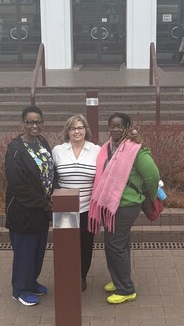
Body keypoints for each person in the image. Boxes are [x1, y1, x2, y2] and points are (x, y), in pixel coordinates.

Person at [88, 112, 160, 305]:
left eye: (120, 126)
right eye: (112, 125)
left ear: (128, 127)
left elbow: (153, 176)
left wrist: (150, 196)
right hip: (110, 205)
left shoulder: (136, 150)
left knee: (115, 245)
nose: (115, 129)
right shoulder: (108, 147)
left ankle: (126, 289)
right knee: (119, 244)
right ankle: (118, 279)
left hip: (126, 205)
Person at [5, 106, 55, 306]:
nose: (35, 125)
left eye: (38, 122)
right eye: (30, 122)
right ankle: (20, 290)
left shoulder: (42, 142)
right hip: (23, 211)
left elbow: (50, 172)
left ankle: (31, 282)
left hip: (41, 211)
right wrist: (45, 203)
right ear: (23, 124)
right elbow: (18, 185)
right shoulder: (16, 149)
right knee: (24, 252)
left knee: (37, 250)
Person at [52, 115, 101, 292]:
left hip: (87, 208)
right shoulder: (58, 151)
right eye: (72, 128)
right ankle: (67, 275)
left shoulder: (96, 150)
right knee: (65, 246)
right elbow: (52, 178)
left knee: (85, 246)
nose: (77, 131)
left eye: (80, 128)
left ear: (86, 130)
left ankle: (81, 276)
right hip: (65, 209)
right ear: (67, 131)